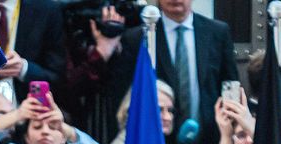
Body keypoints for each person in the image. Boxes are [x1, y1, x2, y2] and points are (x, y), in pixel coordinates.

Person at [100, 0, 242, 133]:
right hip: (158, 139)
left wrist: (232, 130)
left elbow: (230, 83)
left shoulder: (217, 32)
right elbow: (123, 94)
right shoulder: (139, 37)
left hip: (210, 136)